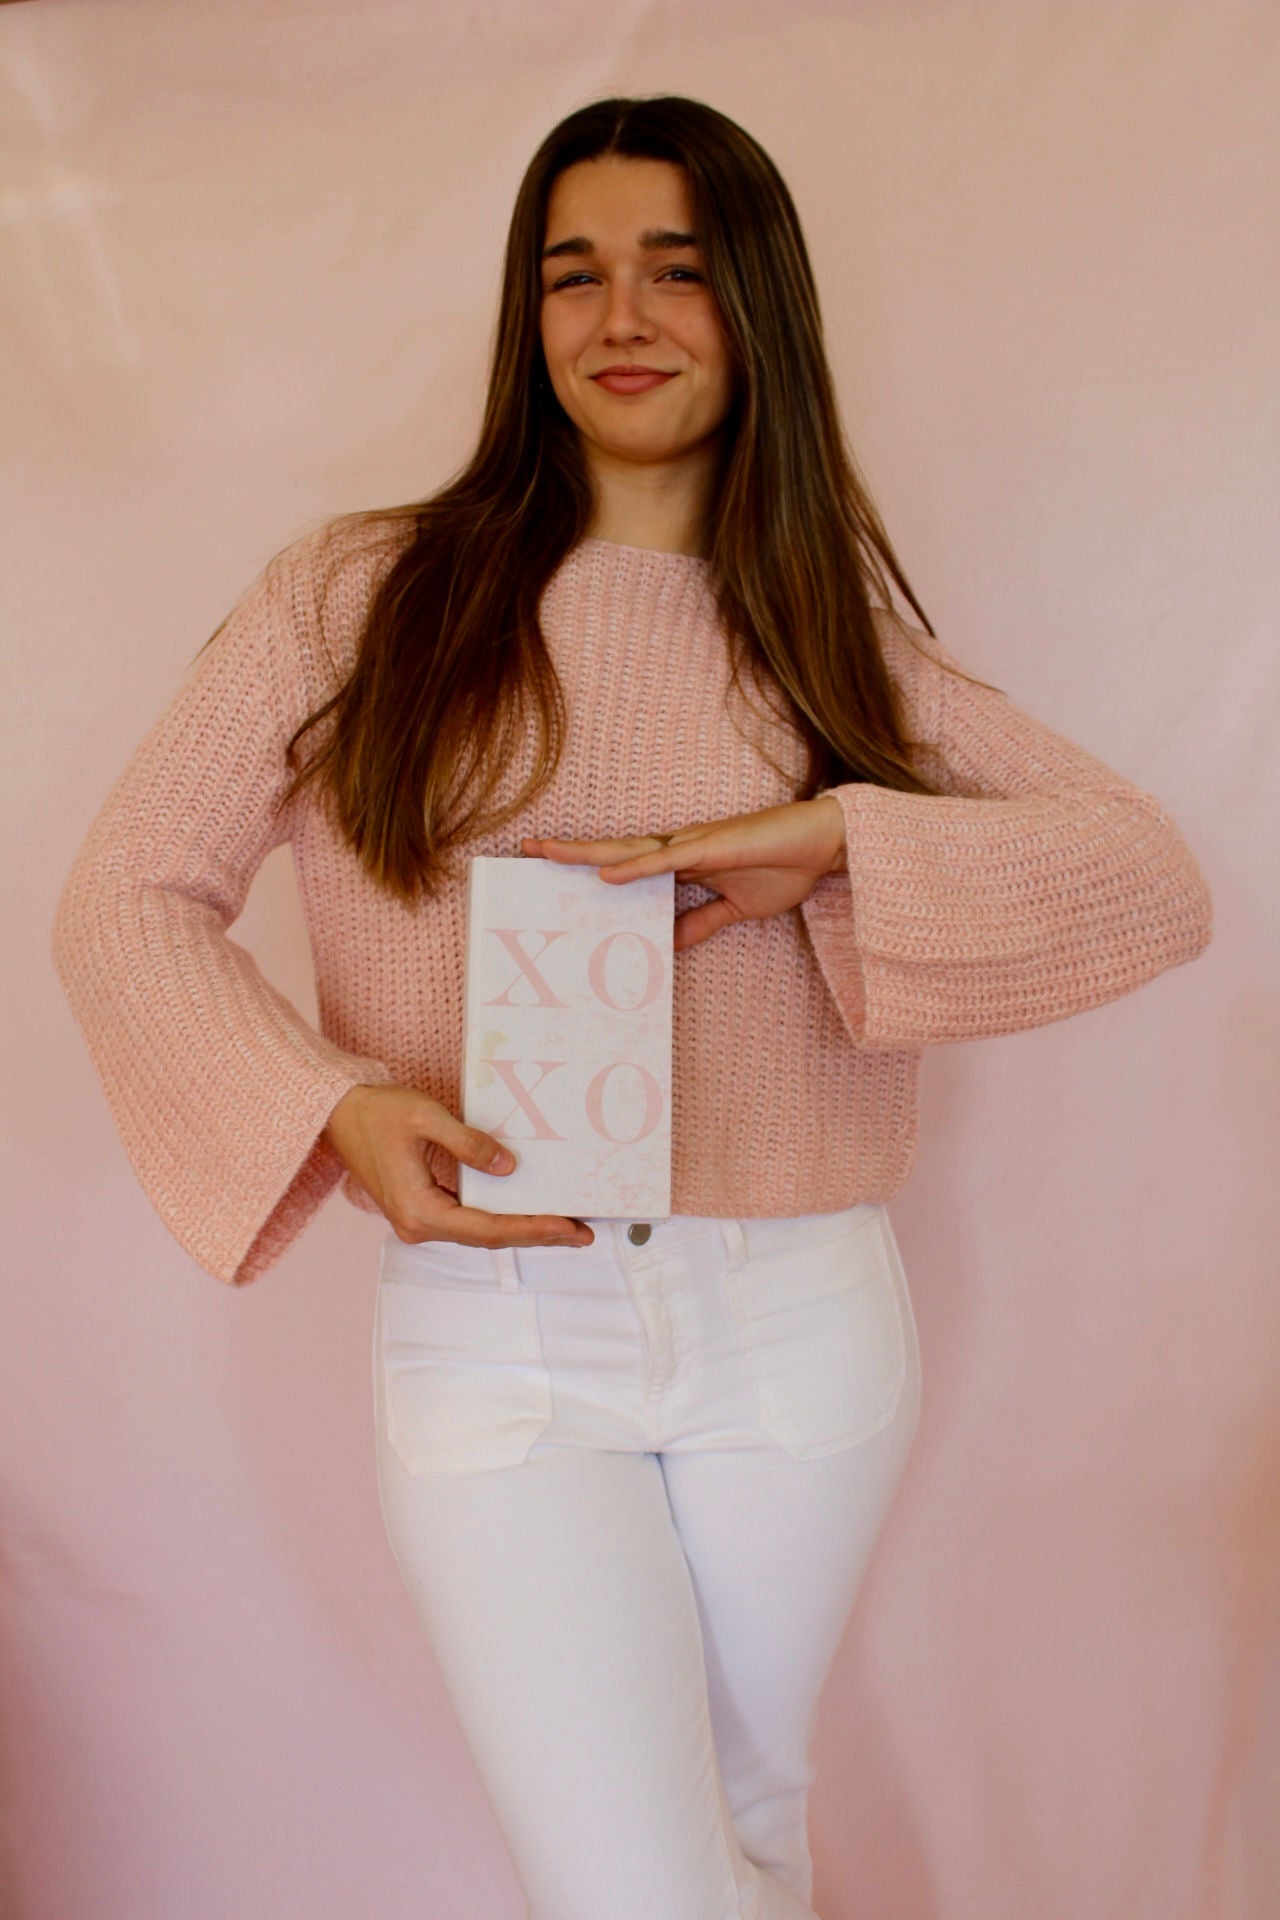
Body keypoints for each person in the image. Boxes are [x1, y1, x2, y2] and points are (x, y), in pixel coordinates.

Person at [51, 93, 1213, 1920]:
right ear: (527, 313)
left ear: (756, 305)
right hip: (504, 1328)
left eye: (677, 270)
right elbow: (126, 896)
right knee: (644, 1894)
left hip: (798, 1317)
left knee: (750, 1834)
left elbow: (1148, 873)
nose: (621, 318)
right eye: (572, 273)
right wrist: (333, 1101)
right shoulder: (355, 599)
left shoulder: (829, 637)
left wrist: (836, 843)